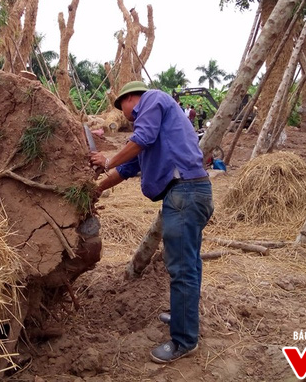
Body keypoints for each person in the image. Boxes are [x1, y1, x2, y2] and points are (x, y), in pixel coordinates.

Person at [89, 81, 214, 364]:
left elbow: (135, 144)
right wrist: (95, 189)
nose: (127, 117)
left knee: (182, 267)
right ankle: (184, 316)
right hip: (190, 192)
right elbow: (126, 168)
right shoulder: (153, 131)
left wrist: (106, 159)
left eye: (124, 110)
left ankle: (184, 340)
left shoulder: (153, 100)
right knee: (189, 263)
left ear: (132, 98)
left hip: (186, 192)